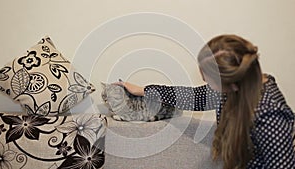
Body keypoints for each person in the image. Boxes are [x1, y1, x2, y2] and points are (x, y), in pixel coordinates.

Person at [115, 34, 295, 169]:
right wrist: (144, 90)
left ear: (231, 84)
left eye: (209, 81)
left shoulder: (271, 115)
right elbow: (193, 97)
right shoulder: (238, 87)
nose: (206, 84)